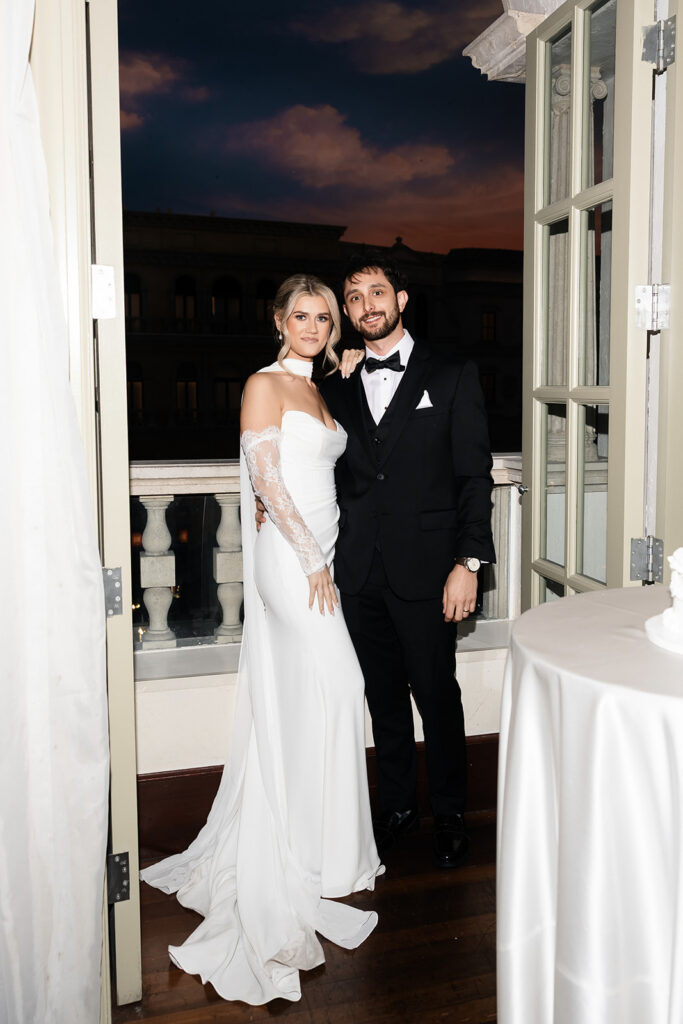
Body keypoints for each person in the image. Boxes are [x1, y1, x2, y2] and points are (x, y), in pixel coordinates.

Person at [140, 274, 383, 1005]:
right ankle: (314, 856)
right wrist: (310, 560)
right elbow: (266, 479)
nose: (312, 324)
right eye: (300, 315)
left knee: (316, 699)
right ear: (279, 320)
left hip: (321, 556)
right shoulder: (263, 384)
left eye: (323, 316)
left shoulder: (318, 385)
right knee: (342, 688)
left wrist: (336, 369)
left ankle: (322, 852)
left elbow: (320, 457)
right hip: (292, 561)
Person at [320, 252, 496, 869]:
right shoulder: (334, 384)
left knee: (437, 696)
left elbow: (475, 476)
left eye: (377, 292)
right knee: (383, 698)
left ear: (401, 300)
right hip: (358, 572)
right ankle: (396, 808)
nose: (367, 305)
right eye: (354, 297)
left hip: (429, 571)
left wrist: (468, 563)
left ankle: (449, 812)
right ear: (347, 312)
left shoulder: (451, 373)